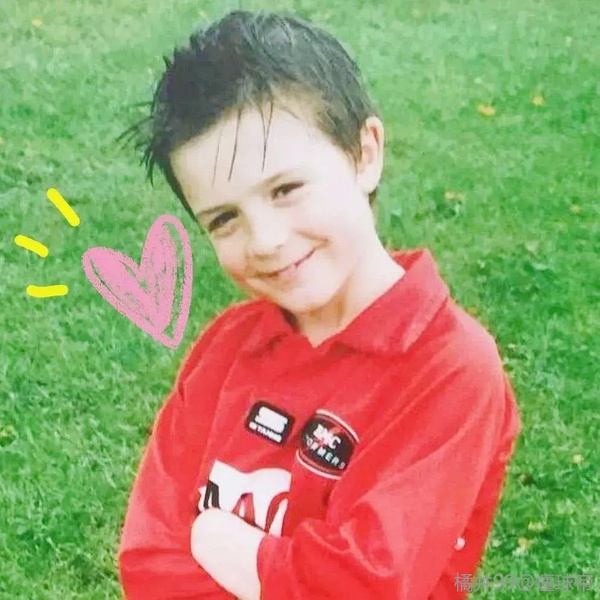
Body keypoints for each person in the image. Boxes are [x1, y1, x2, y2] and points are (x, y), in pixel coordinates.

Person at [117, 9, 521, 600]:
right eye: (224, 219)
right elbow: (148, 560)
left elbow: (363, 585)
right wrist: (285, 571)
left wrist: (219, 538)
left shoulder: (449, 370)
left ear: (364, 154)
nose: (266, 240)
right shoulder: (224, 349)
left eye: (285, 189)